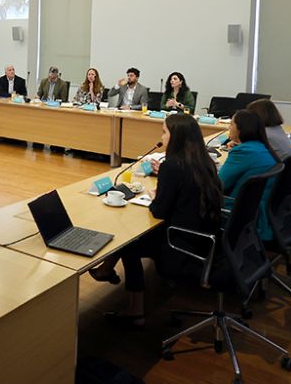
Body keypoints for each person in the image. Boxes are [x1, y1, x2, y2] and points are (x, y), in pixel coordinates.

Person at [90, 114, 223, 326]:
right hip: (206, 238)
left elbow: (160, 211)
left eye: (164, 132)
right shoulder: (204, 161)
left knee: (129, 242)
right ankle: (106, 270)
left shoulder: (172, 166)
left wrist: (155, 195)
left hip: (181, 243)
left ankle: (135, 311)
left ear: (177, 137)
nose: (162, 136)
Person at [219, 110, 278, 241]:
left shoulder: (243, 152)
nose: (229, 127)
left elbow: (219, 185)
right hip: (255, 212)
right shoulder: (261, 147)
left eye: (232, 124)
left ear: (241, 129)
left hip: (233, 212)